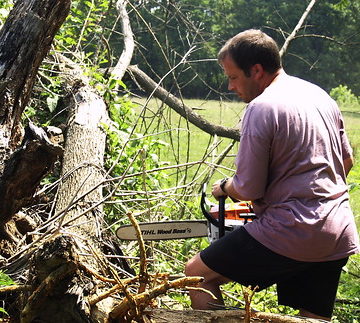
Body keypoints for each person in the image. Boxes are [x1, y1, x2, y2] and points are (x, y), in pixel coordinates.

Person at [185, 29, 360, 321]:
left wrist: (226, 187)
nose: (230, 86)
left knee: (197, 275)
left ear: (256, 70)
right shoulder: (319, 95)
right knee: (312, 317)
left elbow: (248, 187)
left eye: (233, 77)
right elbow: (347, 161)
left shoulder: (261, 107)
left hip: (291, 231)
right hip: (337, 233)